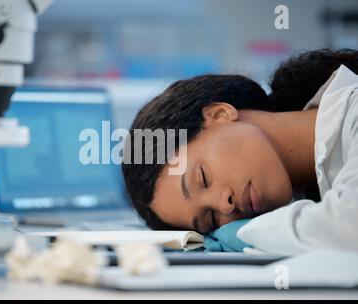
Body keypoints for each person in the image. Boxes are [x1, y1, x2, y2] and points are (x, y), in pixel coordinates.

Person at [121, 49, 358, 255]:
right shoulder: (312, 192)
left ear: (219, 114)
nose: (226, 207)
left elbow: (347, 227)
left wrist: (244, 235)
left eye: (203, 178)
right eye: (211, 219)